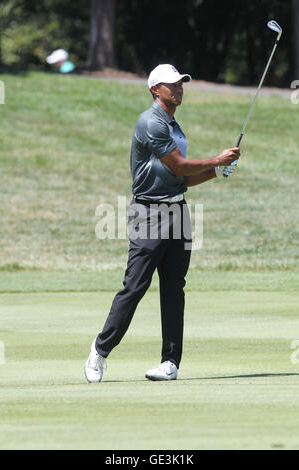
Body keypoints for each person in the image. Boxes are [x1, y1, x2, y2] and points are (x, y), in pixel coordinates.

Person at [85, 64, 240, 382]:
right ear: (155, 90)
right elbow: (180, 165)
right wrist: (216, 160)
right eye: (172, 85)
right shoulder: (151, 123)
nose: (179, 88)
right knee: (135, 287)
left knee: (174, 288)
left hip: (178, 212)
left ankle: (170, 362)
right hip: (149, 214)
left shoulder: (173, 126)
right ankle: (99, 352)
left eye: (181, 83)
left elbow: (180, 179)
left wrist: (215, 173)